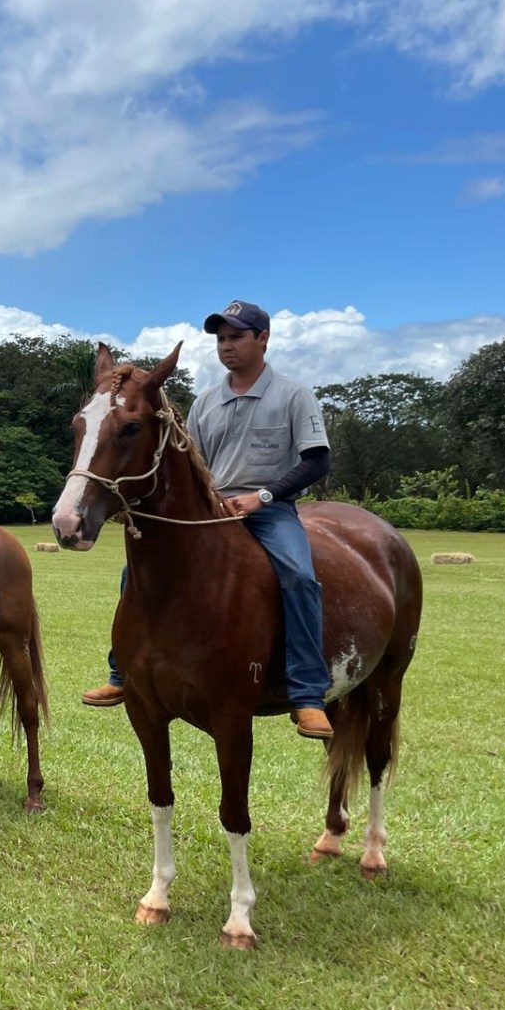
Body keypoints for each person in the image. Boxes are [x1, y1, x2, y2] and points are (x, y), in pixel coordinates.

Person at [80, 300, 335, 740]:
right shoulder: (206, 401)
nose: (226, 346)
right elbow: (190, 462)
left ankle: (309, 694)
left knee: (297, 575)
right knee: (133, 572)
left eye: (237, 337)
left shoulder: (294, 394)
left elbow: (317, 461)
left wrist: (263, 496)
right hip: (212, 510)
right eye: (220, 339)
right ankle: (122, 673)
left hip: (270, 509)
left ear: (263, 339)